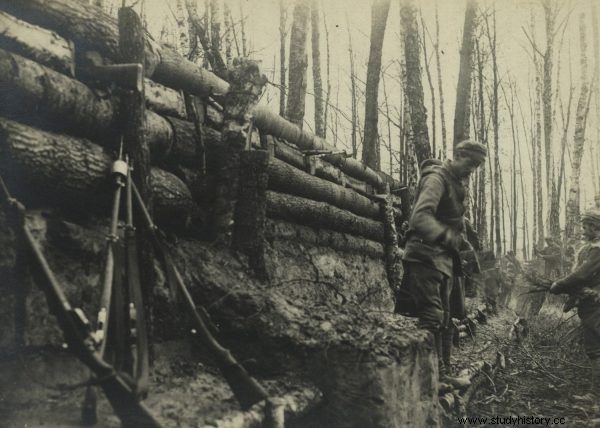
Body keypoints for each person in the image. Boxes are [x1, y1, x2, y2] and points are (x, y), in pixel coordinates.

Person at [397, 140, 487, 384]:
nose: (472, 170)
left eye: (477, 166)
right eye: (471, 163)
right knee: (432, 317)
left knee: (445, 319)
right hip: (425, 256)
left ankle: (441, 375)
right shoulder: (437, 179)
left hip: (442, 259)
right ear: (458, 155)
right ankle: (424, 381)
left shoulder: (454, 183)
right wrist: (449, 237)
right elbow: (419, 218)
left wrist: (463, 246)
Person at [550, 208, 600, 394]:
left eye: (587, 227)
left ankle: (595, 396)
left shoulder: (597, 250)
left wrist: (558, 285)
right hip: (590, 302)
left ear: (596, 228)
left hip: (595, 302)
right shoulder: (590, 247)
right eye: (584, 226)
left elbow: (581, 274)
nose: (584, 230)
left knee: (595, 347)